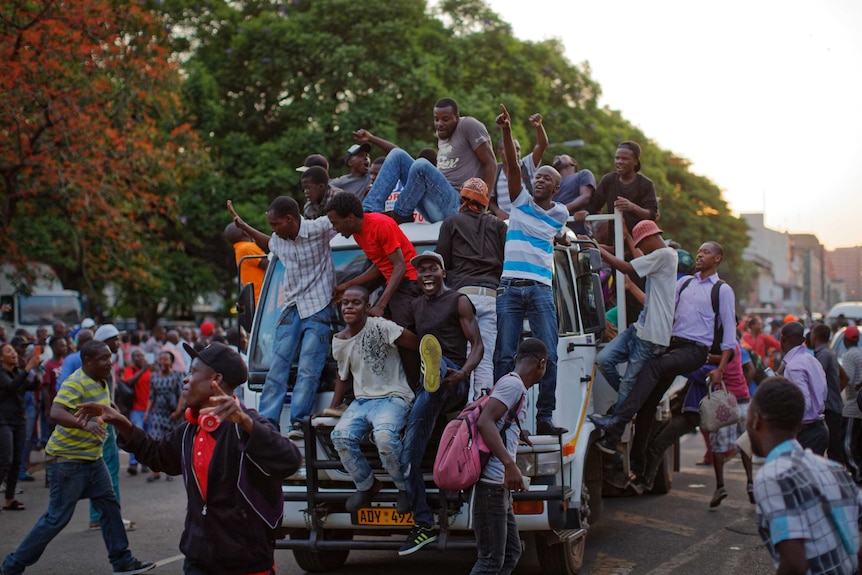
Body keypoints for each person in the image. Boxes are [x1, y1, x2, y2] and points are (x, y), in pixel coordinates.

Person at [79, 342, 302, 575]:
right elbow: (157, 455)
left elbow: (290, 460)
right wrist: (122, 422)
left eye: (193, 372)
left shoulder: (247, 424)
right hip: (198, 558)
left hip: (246, 561)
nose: (186, 379)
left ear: (215, 380)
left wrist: (246, 422)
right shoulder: (190, 430)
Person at [2, 340, 155, 575]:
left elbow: (100, 408)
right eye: (104, 358)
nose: (109, 362)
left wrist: (110, 410)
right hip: (67, 462)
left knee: (110, 506)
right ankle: (12, 566)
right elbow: (55, 412)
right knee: (56, 518)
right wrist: (85, 426)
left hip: (92, 459)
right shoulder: (75, 382)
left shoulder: (100, 380)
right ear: (88, 361)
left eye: (110, 357)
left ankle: (122, 562)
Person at [590, 242, 737, 486]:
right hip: (672, 345)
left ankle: (616, 423)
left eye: (706, 252)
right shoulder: (685, 283)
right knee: (647, 404)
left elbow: (729, 333)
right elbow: (658, 302)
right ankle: (640, 468)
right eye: (698, 251)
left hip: (695, 350)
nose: (700, 254)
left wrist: (720, 369)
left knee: (653, 368)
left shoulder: (722, 290)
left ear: (718, 258)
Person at [228, 196, 336, 439]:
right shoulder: (279, 239)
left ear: (290, 219)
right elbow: (270, 244)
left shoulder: (319, 228)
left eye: (276, 224)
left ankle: (298, 422)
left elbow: (346, 220)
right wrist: (245, 227)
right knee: (277, 366)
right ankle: (268, 422)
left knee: (309, 367)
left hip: (319, 307)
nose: (273, 230)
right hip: (291, 307)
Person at [399, 250, 483, 556]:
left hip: (454, 384)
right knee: (408, 455)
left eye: (432, 268)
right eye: (421, 271)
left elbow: (478, 345)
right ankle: (424, 524)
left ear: (443, 272)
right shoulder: (416, 305)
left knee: (440, 364)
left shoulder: (458, 300)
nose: (426, 274)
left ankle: (435, 369)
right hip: (428, 389)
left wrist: (463, 373)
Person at [493, 103, 569, 436]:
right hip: (510, 285)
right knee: (505, 353)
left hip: (539, 288)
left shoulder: (560, 214)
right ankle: (502, 413)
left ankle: (544, 415)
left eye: (546, 179)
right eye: (537, 176)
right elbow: (511, 165)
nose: (539, 181)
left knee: (547, 352)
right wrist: (506, 130)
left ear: (556, 188)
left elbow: (522, 169)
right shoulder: (518, 201)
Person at [747, 377, 862, 575]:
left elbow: (794, 564)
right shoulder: (833, 469)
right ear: (799, 426)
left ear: (757, 421)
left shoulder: (773, 475)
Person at [328, 286, 418, 512]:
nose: (349, 306)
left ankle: (405, 487)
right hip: (362, 401)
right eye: (345, 303)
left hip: (394, 396)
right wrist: (332, 407)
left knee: (385, 438)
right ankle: (367, 485)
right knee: (340, 436)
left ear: (367, 307)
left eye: (356, 302)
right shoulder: (338, 339)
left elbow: (417, 345)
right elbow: (342, 375)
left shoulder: (382, 326)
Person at [325, 192, 421, 386]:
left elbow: (400, 266)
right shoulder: (358, 234)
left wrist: (380, 305)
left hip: (409, 282)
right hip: (393, 282)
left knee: (398, 335)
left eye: (335, 223)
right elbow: (380, 266)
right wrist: (348, 285)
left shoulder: (380, 224)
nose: (334, 228)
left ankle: (416, 387)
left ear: (350, 218)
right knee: (363, 329)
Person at [471, 338, 547, 575]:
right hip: (491, 486)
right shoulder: (513, 385)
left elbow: (497, 420)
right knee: (491, 561)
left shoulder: (513, 386)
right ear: (541, 364)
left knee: (512, 553)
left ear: (516, 359)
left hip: (498, 488)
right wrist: (509, 464)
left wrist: (516, 429)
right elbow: (485, 422)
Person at [362, 97, 497, 224]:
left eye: (445, 119)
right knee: (397, 155)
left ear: (456, 117)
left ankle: (401, 213)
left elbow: (490, 163)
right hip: (437, 203)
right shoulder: (443, 135)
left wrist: (482, 207)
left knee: (421, 165)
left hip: (458, 205)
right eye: (436, 119)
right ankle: (369, 210)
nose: (439, 124)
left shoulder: (468, 125)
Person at [589, 220, 677, 408]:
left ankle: (621, 414)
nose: (640, 248)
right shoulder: (661, 257)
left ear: (650, 238)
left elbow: (629, 267)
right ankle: (631, 402)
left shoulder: (665, 255)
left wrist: (597, 249)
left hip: (651, 334)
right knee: (603, 361)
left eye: (641, 244)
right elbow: (638, 260)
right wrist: (628, 238)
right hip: (639, 328)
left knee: (629, 381)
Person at [436, 177, 507, 399]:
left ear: (463, 199)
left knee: (462, 356)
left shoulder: (451, 222)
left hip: (463, 299)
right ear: (484, 202)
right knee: (483, 358)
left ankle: (461, 413)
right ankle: (480, 407)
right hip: (491, 298)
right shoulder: (498, 225)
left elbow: (440, 262)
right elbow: (507, 262)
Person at [576, 140, 658, 235]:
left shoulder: (646, 184)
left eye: (625, 159)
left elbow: (652, 214)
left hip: (639, 242)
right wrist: (585, 211)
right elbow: (595, 204)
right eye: (617, 158)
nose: (619, 162)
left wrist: (632, 207)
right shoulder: (608, 180)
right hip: (615, 240)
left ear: (635, 161)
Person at [0, 342, 41, 510]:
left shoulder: (18, 372)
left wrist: (35, 369)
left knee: (17, 461)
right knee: (5, 460)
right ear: (1, 357)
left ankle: (9, 499)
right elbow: (10, 386)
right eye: (9, 351)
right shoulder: (1, 373)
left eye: (14, 350)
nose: (14, 353)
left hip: (19, 420)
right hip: (3, 421)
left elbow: (32, 386)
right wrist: (27, 369)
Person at [778, 321, 829, 455]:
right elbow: (823, 392)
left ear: (782, 340)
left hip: (806, 431)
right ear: (803, 340)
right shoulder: (811, 360)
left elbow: (803, 402)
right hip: (818, 429)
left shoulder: (794, 366)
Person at [488, 112, 548, 219]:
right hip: (505, 224)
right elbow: (490, 199)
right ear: (499, 153)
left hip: (528, 220)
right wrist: (498, 212)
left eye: (518, 149)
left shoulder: (527, 164)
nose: (516, 153)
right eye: (512, 149)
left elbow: (541, 145)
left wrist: (539, 127)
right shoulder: (495, 171)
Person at [144, 350, 184, 482]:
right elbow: (151, 396)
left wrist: (177, 412)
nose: (162, 362)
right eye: (160, 359)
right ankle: (155, 471)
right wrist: (147, 413)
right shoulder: (154, 376)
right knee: (155, 442)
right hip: (158, 413)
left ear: (171, 362)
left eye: (165, 359)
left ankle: (170, 470)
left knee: (171, 443)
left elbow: (181, 395)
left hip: (172, 413)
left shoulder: (177, 376)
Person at [812, 324, 846, 464]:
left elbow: (815, 380)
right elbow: (845, 377)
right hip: (833, 406)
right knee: (834, 448)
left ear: (815, 337)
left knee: (832, 450)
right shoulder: (828, 353)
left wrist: (827, 396)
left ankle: (836, 481)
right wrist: (834, 393)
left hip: (830, 409)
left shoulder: (824, 355)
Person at [551, 154, 596, 236]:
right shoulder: (552, 182)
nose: (557, 157)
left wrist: (560, 210)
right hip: (555, 230)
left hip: (577, 229)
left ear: (573, 163)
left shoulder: (583, 174)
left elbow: (585, 197)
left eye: (562, 156)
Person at [224, 221, 268, 304]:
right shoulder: (247, 248)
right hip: (263, 299)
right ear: (245, 231)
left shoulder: (240, 249)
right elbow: (269, 265)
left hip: (257, 300)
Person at [122, 348, 150, 476]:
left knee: (149, 437)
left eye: (142, 355)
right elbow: (129, 382)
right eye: (138, 356)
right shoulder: (130, 370)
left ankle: (145, 462)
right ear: (133, 358)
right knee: (136, 436)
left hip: (150, 409)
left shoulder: (151, 370)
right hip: (136, 409)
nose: (140, 358)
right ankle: (133, 463)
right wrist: (143, 370)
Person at [840, 325, 862, 482]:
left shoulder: (848, 356)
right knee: (858, 444)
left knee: (846, 443)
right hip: (860, 406)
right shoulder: (860, 354)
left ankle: (856, 472)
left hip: (853, 407)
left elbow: (847, 378)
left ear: (845, 340)